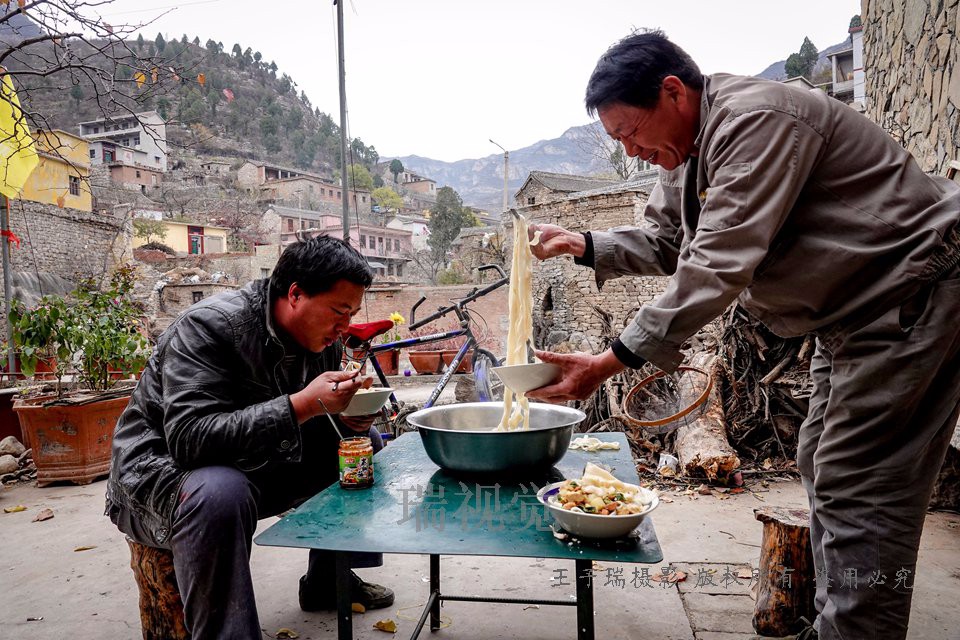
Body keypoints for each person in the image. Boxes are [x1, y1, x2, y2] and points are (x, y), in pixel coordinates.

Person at [527, 30, 960, 640]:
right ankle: (838, 621)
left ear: (673, 92)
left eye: (630, 133)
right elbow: (666, 241)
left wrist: (611, 359)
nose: (632, 152)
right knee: (820, 463)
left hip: (912, 293)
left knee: (861, 488)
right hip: (849, 318)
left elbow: (716, 265)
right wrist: (587, 243)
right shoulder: (685, 154)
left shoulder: (757, 121)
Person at [105, 236, 395, 639]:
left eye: (352, 313)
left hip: (251, 462)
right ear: (295, 294)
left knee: (362, 450)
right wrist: (304, 405)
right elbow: (189, 441)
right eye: (338, 311)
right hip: (161, 477)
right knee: (222, 491)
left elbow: (313, 419)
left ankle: (329, 581)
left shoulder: (320, 340)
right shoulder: (209, 326)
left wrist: (348, 419)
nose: (345, 326)